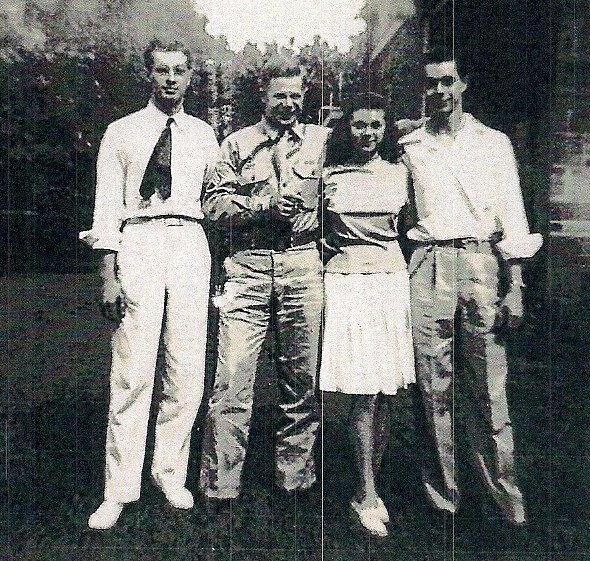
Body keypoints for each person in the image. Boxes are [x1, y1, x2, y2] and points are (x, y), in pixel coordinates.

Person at [79, 40, 220, 529]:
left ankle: (169, 473)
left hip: (189, 242)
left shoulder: (204, 135)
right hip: (138, 238)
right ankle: (118, 488)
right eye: (162, 70)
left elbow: (218, 202)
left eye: (180, 71)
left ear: (190, 77)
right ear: (149, 75)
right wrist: (108, 274)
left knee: (186, 371)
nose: (171, 79)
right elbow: (105, 209)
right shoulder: (121, 132)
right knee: (133, 370)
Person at [399, 56, 543, 525]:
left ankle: (503, 496)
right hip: (427, 263)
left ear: (464, 83)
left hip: (482, 264)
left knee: (488, 388)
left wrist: (515, 284)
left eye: (448, 82)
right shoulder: (409, 145)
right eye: (431, 84)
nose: (440, 91)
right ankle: (443, 496)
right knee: (431, 387)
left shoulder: (493, 144)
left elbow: (513, 215)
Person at [199, 65, 330, 500]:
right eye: (280, 97)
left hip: (302, 263)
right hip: (248, 264)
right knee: (232, 377)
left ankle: (294, 478)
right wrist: (263, 204)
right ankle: (221, 484)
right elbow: (214, 204)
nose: (289, 104)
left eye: (296, 96)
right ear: (264, 97)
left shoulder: (323, 142)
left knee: (301, 379)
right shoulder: (237, 143)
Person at [319, 93, 416, 537]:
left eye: (377, 125)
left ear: (386, 129)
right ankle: (366, 490)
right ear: (347, 129)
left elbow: (412, 226)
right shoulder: (329, 175)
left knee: (388, 392)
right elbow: (313, 229)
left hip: (392, 282)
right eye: (360, 125)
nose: (368, 133)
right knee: (363, 394)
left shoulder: (402, 172)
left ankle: (368, 487)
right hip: (348, 284)